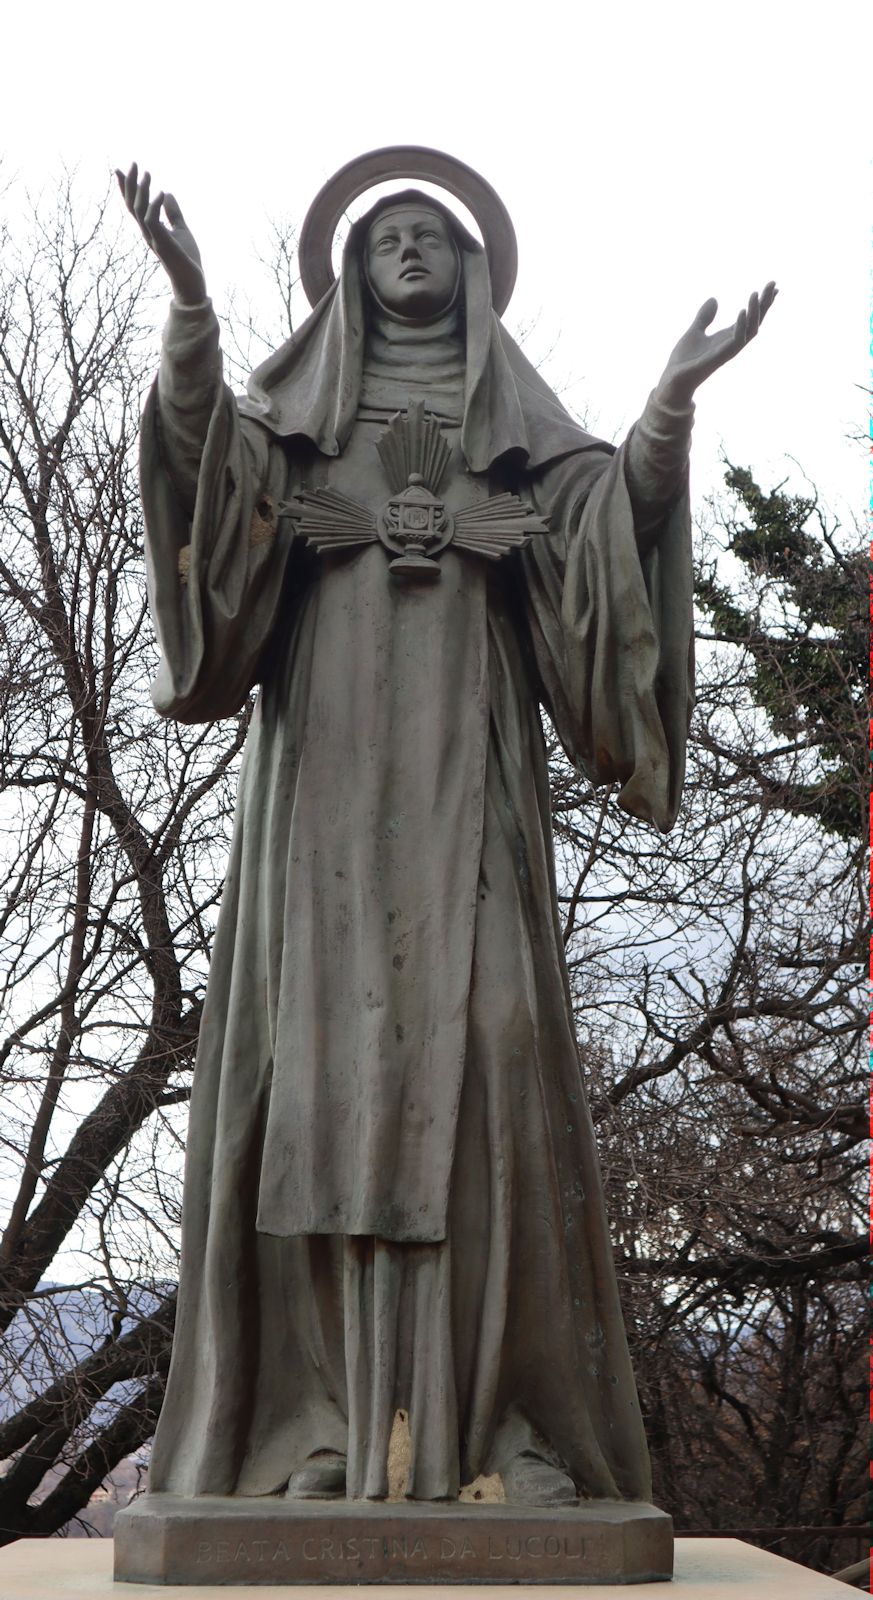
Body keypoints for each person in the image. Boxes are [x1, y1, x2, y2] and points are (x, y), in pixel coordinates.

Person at [117, 159, 775, 1507]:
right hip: (324, 812)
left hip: (471, 798)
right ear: (348, 273)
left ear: (475, 274)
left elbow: (604, 542)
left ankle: (491, 1440)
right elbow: (200, 475)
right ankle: (316, 1436)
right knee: (319, 1086)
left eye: (435, 236)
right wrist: (190, 314)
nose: (411, 250)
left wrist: (665, 407)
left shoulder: (519, 434)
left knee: (491, 1073)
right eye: (387, 237)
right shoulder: (294, 431)